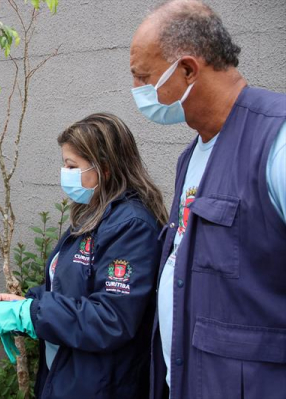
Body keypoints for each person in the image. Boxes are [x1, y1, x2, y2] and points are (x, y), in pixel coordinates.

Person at [0, 113, 167, 398]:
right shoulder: (93, 215)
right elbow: (68, 287)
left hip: (101, 384)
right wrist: (27, 303)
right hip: (67, 374)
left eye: (71, 165)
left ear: (105, 168)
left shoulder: (131, 227)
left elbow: (111, 318)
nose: (64, 173)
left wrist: (31, 314)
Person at [129, 1, 286, 398]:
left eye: (143, 77)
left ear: (186, 70)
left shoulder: (277, 143)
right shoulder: (192, 156)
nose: (137, 92)